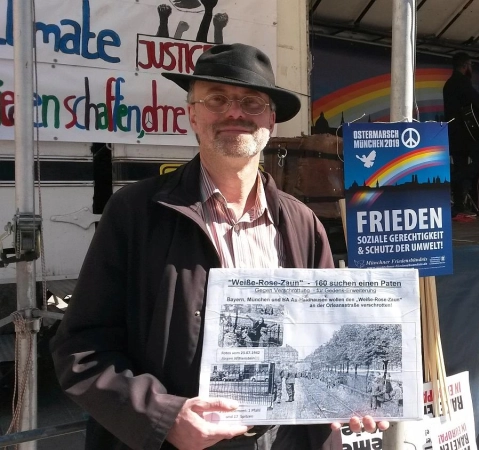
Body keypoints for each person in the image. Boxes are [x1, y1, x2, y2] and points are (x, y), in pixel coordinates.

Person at [50, 43, 387, 450]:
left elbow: (327, 339)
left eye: (251, 102)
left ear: (271, 121)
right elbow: (80, 348)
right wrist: (164, 417)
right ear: (192, 114)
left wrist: (350, 396)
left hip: (286, 440)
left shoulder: (302, 223)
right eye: (217, 99)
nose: (234, 113)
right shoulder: (136, 212)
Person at [442, 52, 479, 220]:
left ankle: (458, 207)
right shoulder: (462, 82)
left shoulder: (448, 84)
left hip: (454, 134)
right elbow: (477, 102)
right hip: (467, 135)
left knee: (460, 163)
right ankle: (456, 179)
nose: (471, 68)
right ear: (465, 65)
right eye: (470, 65)